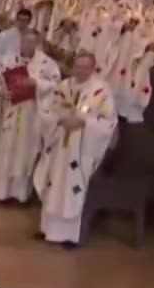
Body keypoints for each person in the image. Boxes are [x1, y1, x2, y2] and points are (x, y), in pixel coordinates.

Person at [33, 51, 118, 246]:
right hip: (58, 148)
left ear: (92, 68)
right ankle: (48, 230)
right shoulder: (63, 87)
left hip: (80, 151)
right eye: (78, 66)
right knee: (52, 185)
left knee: (73, 189)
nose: (81, 70)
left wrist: (83, 121)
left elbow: (109, 121)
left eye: (85, 67)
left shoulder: (101, 91)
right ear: (73, 67)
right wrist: (60, 119)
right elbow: (48, 111)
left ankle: (69, 236)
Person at [0, 28, 60, 204]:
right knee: (5, 151)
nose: (28, 45)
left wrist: (36, 83)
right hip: (9, 111)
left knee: (25, 153)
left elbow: (56, 85)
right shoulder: (9, 60)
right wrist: (1, 90)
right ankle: (1, 194)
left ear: (37, 43)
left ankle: (20, 196)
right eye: (25, 41)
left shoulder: (47, 64)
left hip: (31, 114)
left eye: (32, 42)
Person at [0, 8, 34, 158]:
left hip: (24, 84)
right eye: (20, 20)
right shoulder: (5, 35)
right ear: (16, 20)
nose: (23, 24)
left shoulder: (32, 36)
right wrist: (7, 72)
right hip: (5, 78)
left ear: (30, 21)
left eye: (26, 21)